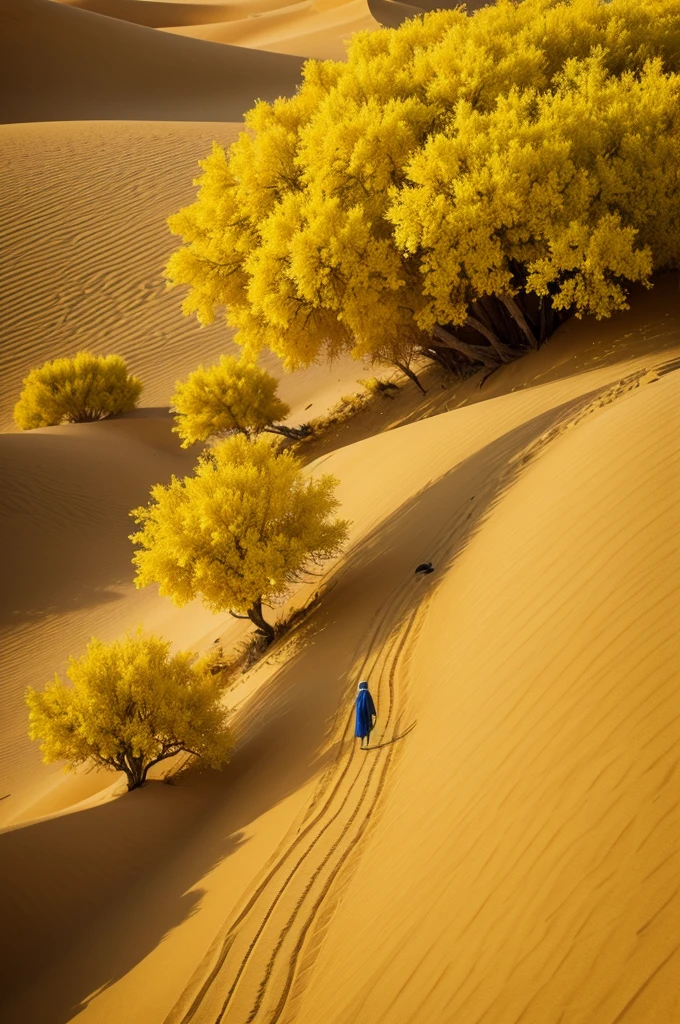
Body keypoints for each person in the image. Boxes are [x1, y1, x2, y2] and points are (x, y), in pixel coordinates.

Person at [355, 680, 376, 749]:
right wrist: (373, 712)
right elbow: (370, 703)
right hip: (366, 715)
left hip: (360, 716)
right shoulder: (366, 693)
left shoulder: (359, 695)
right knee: (367, 729)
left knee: (361, 729)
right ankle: (366, 744)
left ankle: (362, 744)